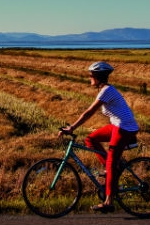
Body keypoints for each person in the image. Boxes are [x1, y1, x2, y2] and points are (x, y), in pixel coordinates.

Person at [58, 61, 139, 213]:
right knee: (91, 139)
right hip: (117, 125)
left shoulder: (106, 91)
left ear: (98, 77)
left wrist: (72, 128)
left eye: (91, 75)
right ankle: (112, 168)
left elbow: (89, 112)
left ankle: (109, 201)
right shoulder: (105, 90)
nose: (89, 78)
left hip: (125, 127)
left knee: (111, 162)